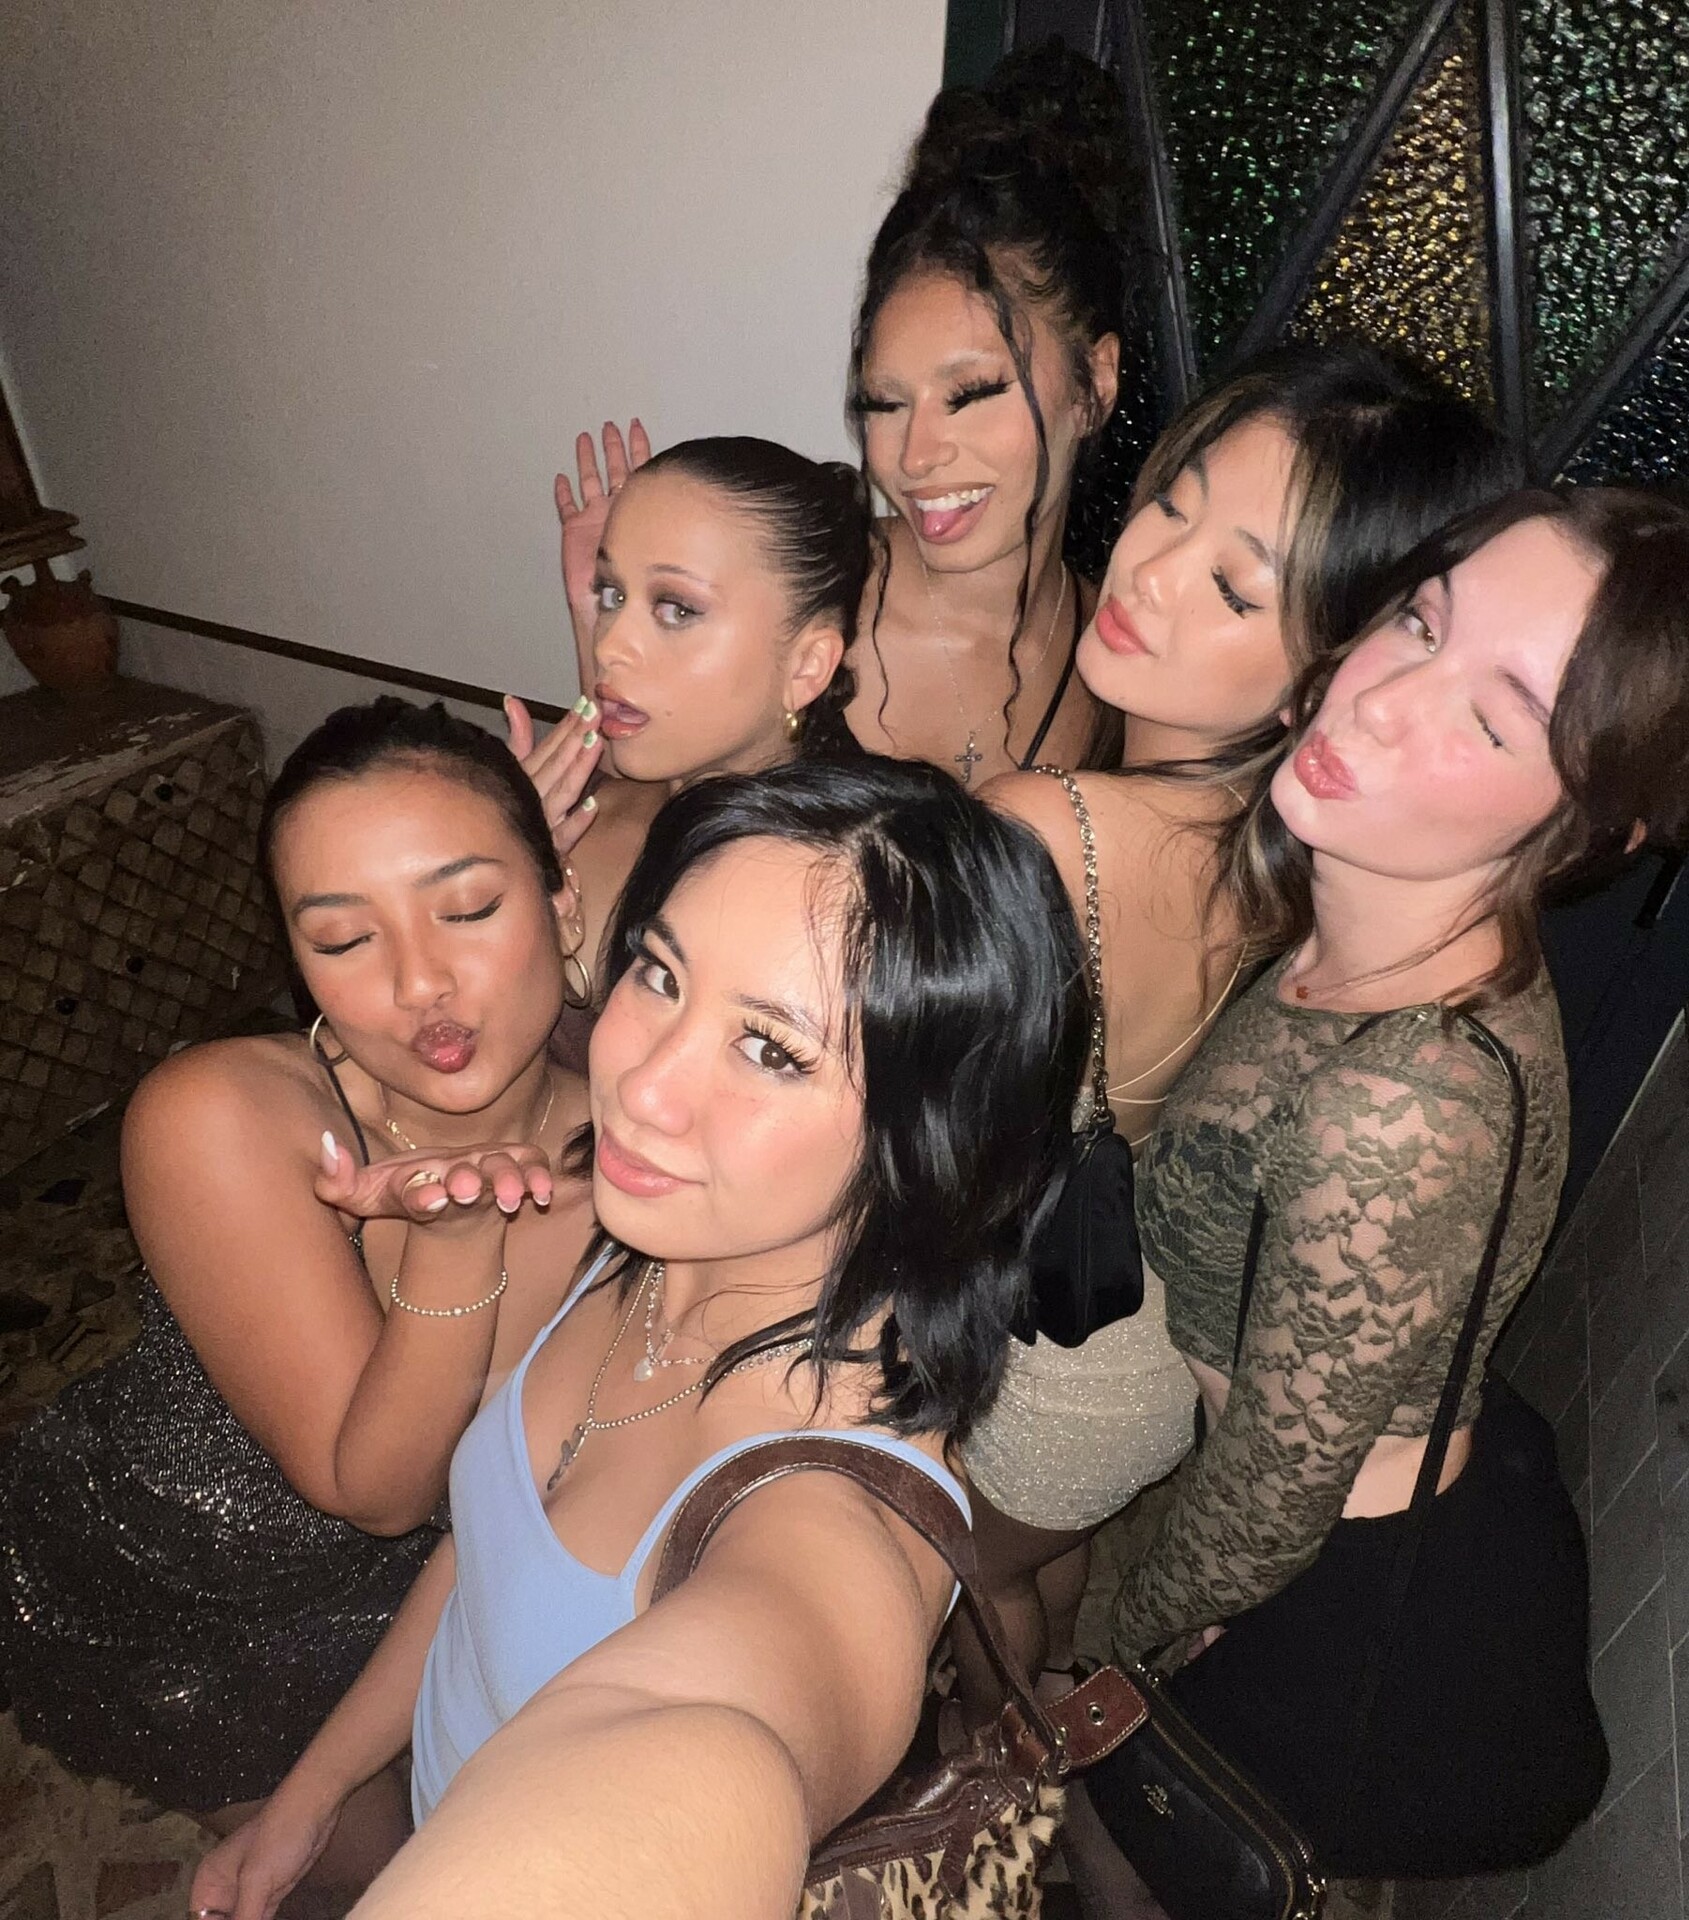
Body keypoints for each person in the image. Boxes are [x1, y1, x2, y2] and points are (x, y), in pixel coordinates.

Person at [1072, 486, 1689, 1906]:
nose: (1382, 699)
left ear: (1602, 823)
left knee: (1130, 1847)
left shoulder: (1401, 1107)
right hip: (1298, 1484)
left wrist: (1114, 1644)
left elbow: (1270, 1500)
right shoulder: (1365, 907)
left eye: (1492, 719)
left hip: (1310, 1585)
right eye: (1422, 620)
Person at [188, 757, 1090, 1920]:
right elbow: (486, 1553)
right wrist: (314, 1792)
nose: (643, 1084)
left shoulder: (826, 1515)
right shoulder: (654, 1243)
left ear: (933, 1135)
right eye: (660, 975)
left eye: (772, 1049)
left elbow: (714, 1735)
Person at [955, 346, 1524, 1704]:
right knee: (1031, 1573)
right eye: (1173, 503)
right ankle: (1031, 1720)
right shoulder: (1315, 860)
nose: (1149, 571)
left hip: (1048, 1360)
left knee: (966, 1586)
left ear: (1319, 674)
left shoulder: (1041, 832)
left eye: (1232, 587)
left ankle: (987, 1773)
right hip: (1136, 1353)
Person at [0, 699, 599, 1860]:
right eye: (343, 939)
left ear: (562, 904)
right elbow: (375, 1489)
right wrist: (455, 1244)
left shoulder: (640, 1163)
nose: (420, 982)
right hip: (183, 1603)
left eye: (469, 908)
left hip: (444, 1606)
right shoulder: (220, 1115)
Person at [543, 40, 1139, 790]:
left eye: (971, 394)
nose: (915, 456)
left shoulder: (1125, 648)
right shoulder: (799, 592)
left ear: (1095, 382)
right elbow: (650, 803)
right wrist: (597, 615)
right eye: (885, 404)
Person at [510, 435, 872, 986]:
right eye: (612, 595)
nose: (608, 646)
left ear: (806, 667)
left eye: (678, 609)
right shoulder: (579, 808)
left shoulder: (824, 902)